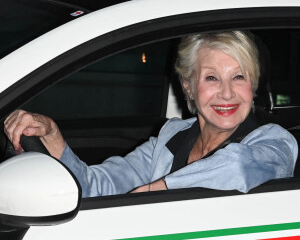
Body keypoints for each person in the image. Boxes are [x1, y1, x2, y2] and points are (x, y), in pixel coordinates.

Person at [4, 31, 298, 198]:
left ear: (253, 85)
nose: (227, 93)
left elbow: (239, 168)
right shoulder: (172, 138)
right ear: (189, 87)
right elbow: (97, 186)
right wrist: (54, 137)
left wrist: (158, 190)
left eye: (239, 77)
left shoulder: (274, 142)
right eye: (211, 78)